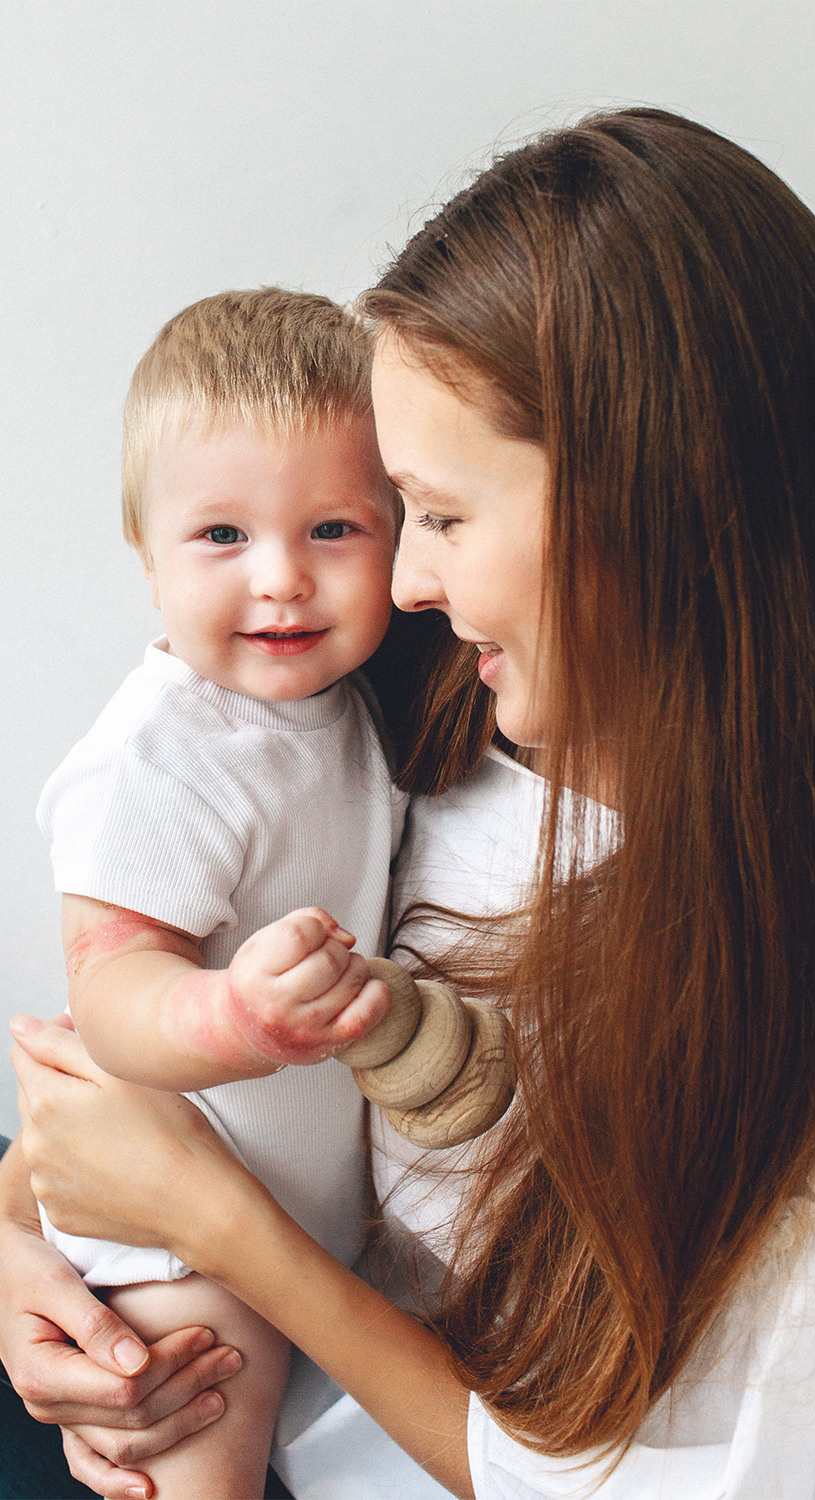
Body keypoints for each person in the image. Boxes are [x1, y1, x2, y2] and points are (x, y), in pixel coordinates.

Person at [7, 104, 815, 1499]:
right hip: (198, 1320)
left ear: (657, 508)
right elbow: (104, 1036)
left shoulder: (782, 1012)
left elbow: (578, 1479)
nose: (397, 584)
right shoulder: (415, 697)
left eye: (439, 518)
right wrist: (35, 1275)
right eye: (392, 516)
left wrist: (212, 1227)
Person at [26, 286, 405, 1498]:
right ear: (147, 559)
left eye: (335, 530)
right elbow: (116, 990)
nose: (283, 580)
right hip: (176, 1234)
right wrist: (232, 1016)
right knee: (199, 1468)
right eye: (223, 538)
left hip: (306, 1219)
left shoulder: (345, 707)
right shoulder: (159, 757)